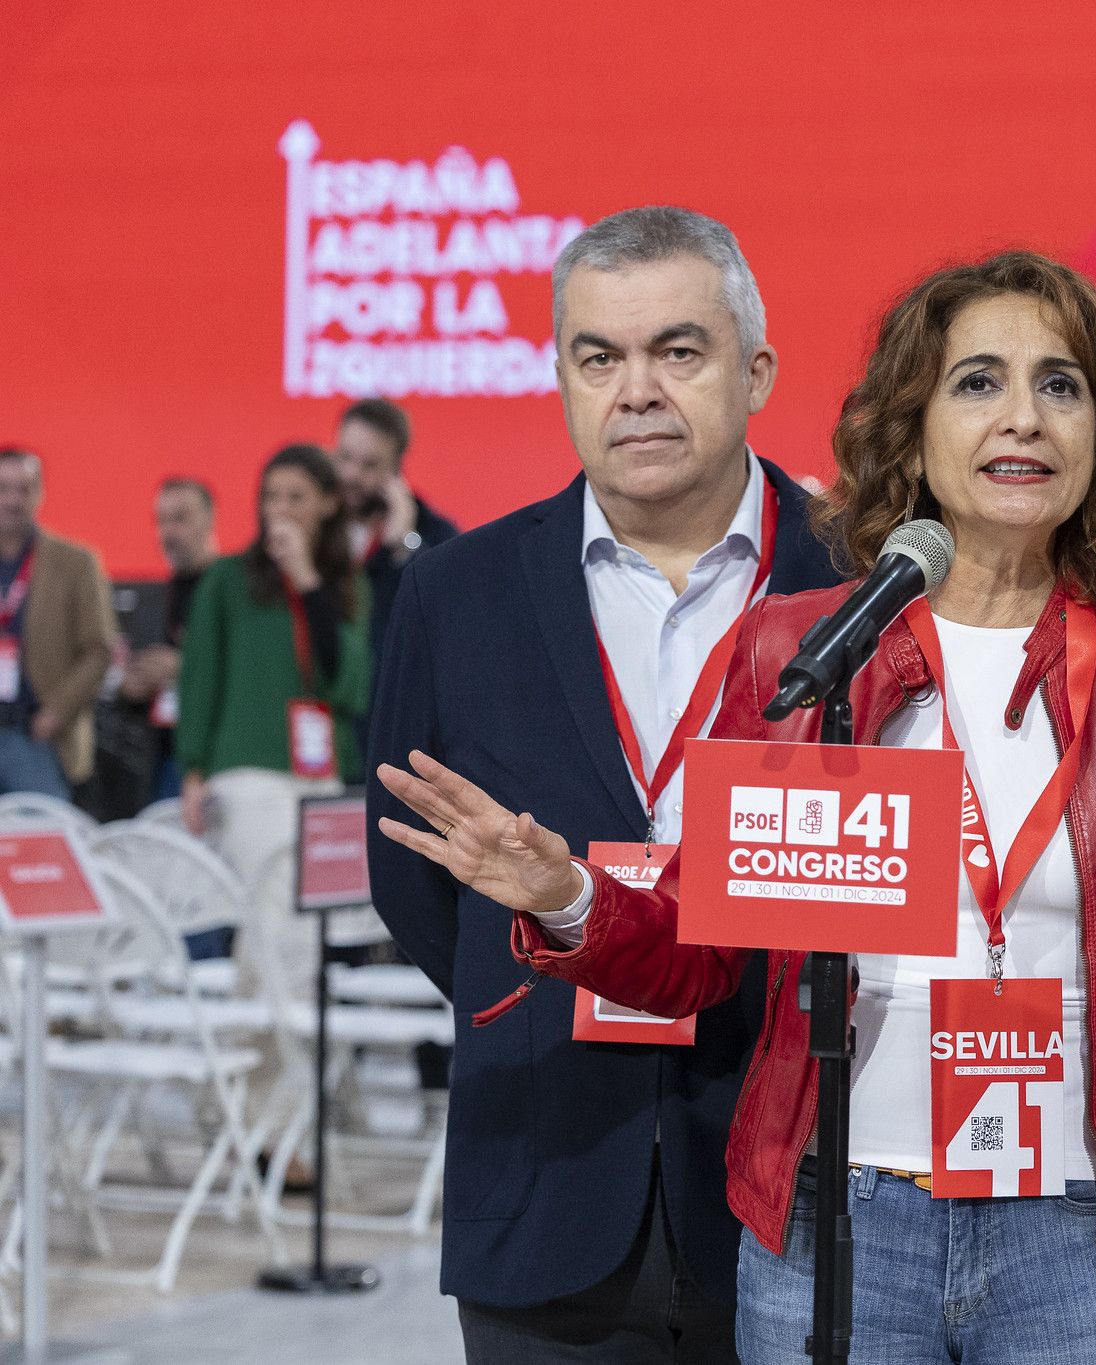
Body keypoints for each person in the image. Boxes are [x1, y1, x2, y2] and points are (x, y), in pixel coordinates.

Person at [376, 250, 1096, 1363]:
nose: (1022, 418)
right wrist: (568, 897)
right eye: (978, 383)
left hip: (1084, 1227)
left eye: (1058, 385)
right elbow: (703, 954)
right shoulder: (797, 648)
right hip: (840, 1227)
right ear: (912, 431)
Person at [365, 206, 839, 1365]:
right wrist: (537, 977)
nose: (635, 390)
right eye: (599, 357)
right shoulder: (454, 593)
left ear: (756, 370)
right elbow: (413, 876)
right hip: (546, 1168)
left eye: (678, 351)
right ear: (562, 378)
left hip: (812, 1190)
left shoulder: (867, 574)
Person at [177, 445, 369, 891]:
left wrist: (306, 579)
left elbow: (350, 683)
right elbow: (200, 679)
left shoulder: (347, 581)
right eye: (271, 496)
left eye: (296, 497)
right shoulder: (226, 579)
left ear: (328, 502)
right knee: (270, 908)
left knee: (316, 911)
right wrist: (193, 768)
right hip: (249, 767)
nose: (280, 509)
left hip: (323, 770)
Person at [0, 446, 116, 800]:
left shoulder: (74, 563)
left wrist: (56, 712)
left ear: (40, 493)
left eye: (24, 488)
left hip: (35, 732)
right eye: (4, 488)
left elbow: (99, 649)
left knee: (45, 841)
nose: (13, 500)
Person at [332, 396, 460, 658]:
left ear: (396, 467)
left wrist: (404, 545)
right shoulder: (315, 521)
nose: (352, 475)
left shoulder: (434, 534)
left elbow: (446, 614)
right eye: (345, 457)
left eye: (370, 465)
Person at [118, 477, 219, 802]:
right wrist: (131, 688)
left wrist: (183, 667)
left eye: (180, 518)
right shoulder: (159, 596)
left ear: (209, 518)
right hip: (163, 753)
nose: (169, 531)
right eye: (161, 521)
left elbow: (252, 672)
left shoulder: (231, 590)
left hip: (214, 757)